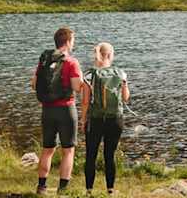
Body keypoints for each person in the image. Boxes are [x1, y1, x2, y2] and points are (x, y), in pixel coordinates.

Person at [32, 27, 85, 194]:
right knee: (68, 150)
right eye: (73, 41)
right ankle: (62, 190)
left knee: (47, 149)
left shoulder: (44, 60)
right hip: (66, 109)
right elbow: (77, 87)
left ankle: (41, 187)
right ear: (68, 42)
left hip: (47, 110)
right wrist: (83, 79)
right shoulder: (71, 62)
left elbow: (33, 84)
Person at [79, 42, 130, 195]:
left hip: (95, 119)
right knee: (110, 154)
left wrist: (83, 120)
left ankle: (89, 190)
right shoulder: (121, 73)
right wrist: (125, 84)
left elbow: (86, 101)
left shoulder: (89, 74)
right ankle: (110, 189)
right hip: (115, 119)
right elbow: (126, 98)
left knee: (91, 154)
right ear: (110, 55)